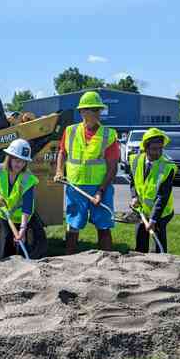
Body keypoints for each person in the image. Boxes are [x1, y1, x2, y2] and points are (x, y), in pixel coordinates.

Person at [54, 91, 120, 253]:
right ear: (82, 112)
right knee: (73, 224)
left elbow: (113, 167)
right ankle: (70, 260)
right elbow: (62, 152)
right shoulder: (70, 131)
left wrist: (100, 191)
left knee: (103, 225)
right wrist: (59, 171)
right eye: (94, 109)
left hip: (100, 187)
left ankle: (108, 261)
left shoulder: (108, 134)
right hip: (75, 186)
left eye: (99, 109)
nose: (98, 113)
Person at [128, 128, 177, 253]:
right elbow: (133, 182)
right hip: (142, 210)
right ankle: (140, 264)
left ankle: (161, 263)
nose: (158, 152)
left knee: (159, 242)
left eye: (161, 148)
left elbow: (162, 196)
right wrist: (134, 197)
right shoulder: (135, 160)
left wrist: (154, 219)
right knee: (141, 239)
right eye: (154, 149)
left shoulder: (167, 167)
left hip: (161, 212)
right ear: (146, 148)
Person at [0, 138, 40, 259]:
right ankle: (3, 264)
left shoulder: (28, 179)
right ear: (9, 158)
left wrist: (23, 228)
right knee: (6, 238)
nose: (19, 164)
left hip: (21, 218)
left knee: (20, 242)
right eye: (16, 160)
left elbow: (27, 206)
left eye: (23, 161)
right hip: (5, 215)